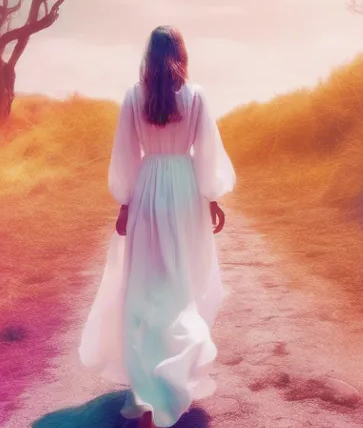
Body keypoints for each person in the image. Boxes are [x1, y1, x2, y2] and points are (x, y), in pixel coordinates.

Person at [78, 25, 236, 428]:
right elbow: (206, 152)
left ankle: (148, 393)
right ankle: (172, 378)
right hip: (183, 189)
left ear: (149, 54)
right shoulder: (196, 95)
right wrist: (212, 197)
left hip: (149, 188)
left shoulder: (135, 95)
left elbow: (126, 154)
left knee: (145, 284)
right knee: (181, 281)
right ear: (182, 53)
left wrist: (125, 203)